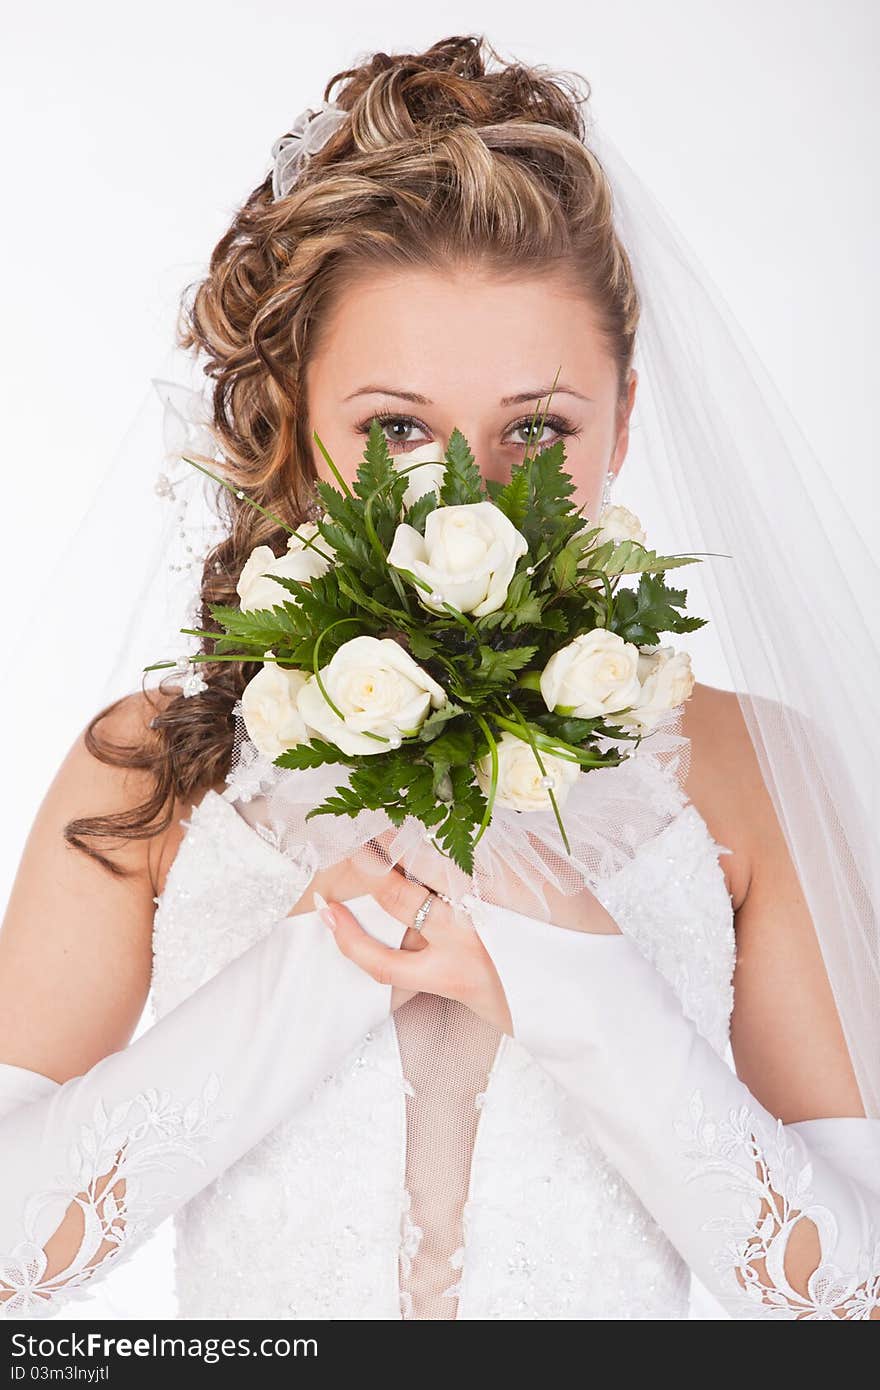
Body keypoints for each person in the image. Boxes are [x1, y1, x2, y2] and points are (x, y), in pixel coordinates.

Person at [1, 33, 878, 1322]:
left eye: (537, 429)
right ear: (300, 419)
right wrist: (314, 973)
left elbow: (856, 1293)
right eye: (397, 428)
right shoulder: (151, 765)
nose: (468, 494)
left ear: (623, 421)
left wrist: (584, 985)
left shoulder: (752, 771)